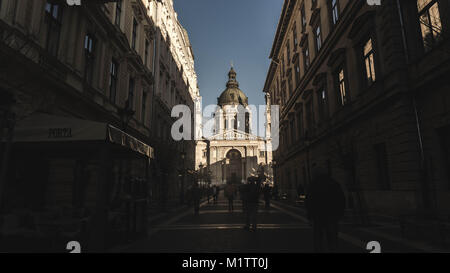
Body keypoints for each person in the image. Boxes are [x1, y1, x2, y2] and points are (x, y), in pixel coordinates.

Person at [305, 165, 346, 253]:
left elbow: (309, 202)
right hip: (332, 216)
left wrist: (309, 217)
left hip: (318, 216)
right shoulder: (334, 183)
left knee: (318, 239)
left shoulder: (313, 185)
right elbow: (341, 199)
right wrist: (340, 214)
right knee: (332, 240)